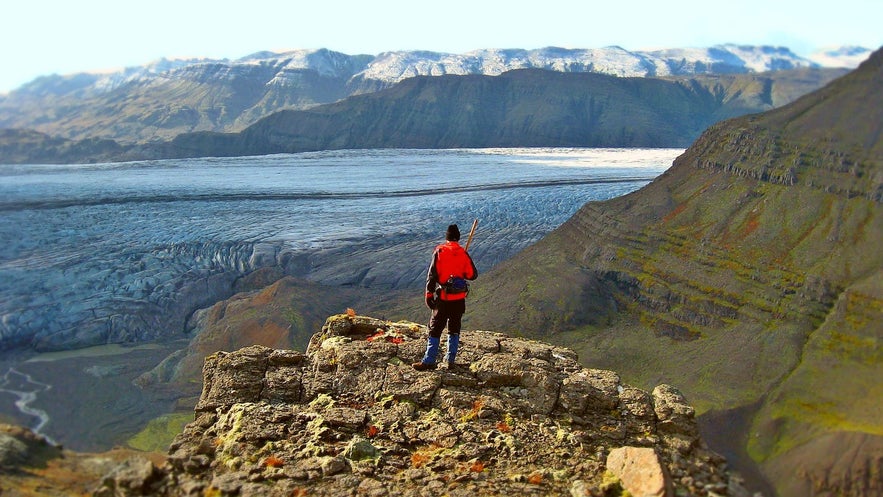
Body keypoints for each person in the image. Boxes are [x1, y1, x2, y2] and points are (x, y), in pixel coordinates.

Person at [413, 224, 478, 371]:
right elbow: (472, 275)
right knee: (454, 329)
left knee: (435, 329)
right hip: (459, 300)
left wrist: (429, 294)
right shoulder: (463, 253)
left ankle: (429, 360)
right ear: (458, 237)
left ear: (446, 237)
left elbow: (432, 275)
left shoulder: (440, 251)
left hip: (443, 299)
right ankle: (450, 360)